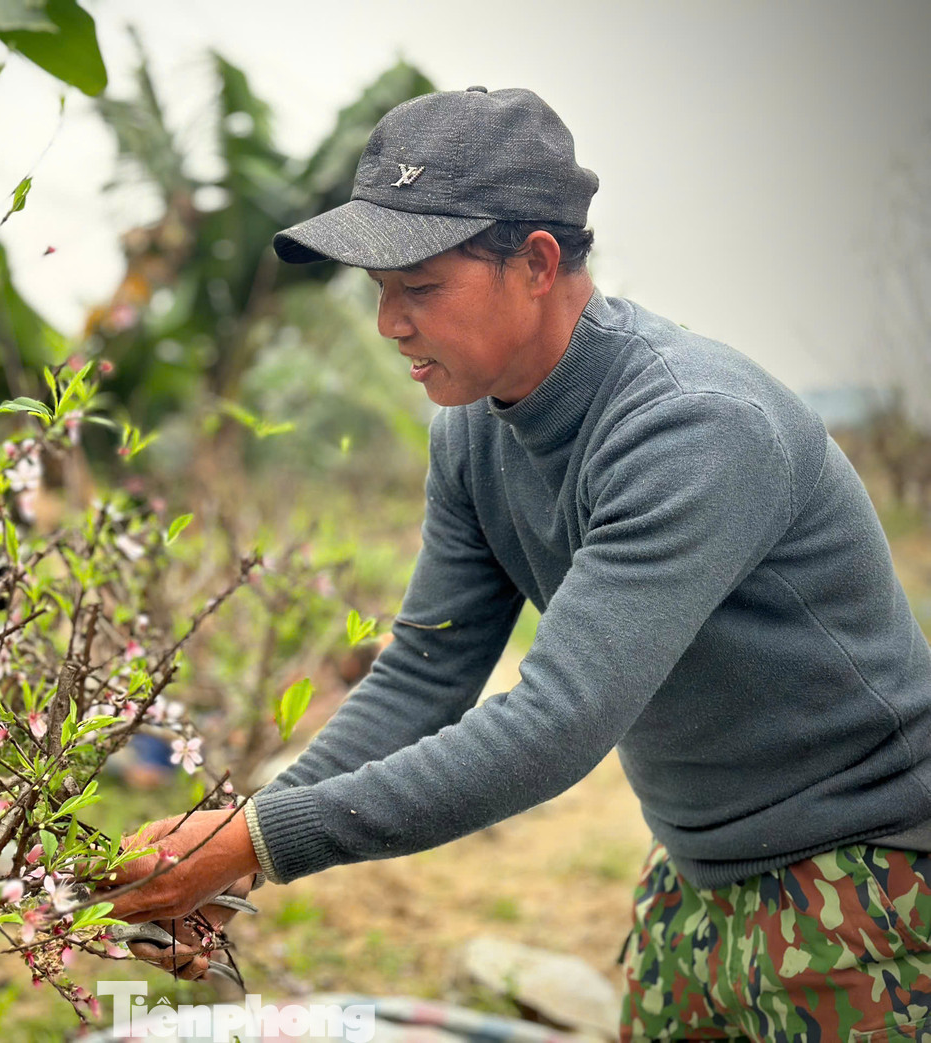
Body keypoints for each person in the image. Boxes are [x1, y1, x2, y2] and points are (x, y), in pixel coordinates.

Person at [98, 86, 931, 1041]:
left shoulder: (693, 426)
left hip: (868, 878)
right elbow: (424, 672)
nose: (389, 324)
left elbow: (557, 720)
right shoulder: (473, 434)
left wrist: (256, 839)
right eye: (378, 291)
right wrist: (240, 846)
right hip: (695, 875)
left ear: (536, 263)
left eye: (420, 288)